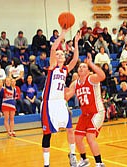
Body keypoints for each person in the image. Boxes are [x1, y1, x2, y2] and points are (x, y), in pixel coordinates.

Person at [40, 28, 81, 167]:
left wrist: (75, 42)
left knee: (70, 128)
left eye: (61, 54)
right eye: (57, 54)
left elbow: (75, 59)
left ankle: (73, 155)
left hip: (60, 102)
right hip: (49, 103)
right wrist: (62, 35)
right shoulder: (53, 67)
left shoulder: (65, 70)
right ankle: (46, 164)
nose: (59, 55)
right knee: (47, 134)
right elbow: (52, 49)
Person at [65, 53, 106, 167]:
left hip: (97, 112)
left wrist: (91, 64)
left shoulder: (92, 78)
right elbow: (67, 96)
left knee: (90, 137)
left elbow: (102, 76)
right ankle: (84, 160)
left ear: (88, 71)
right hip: (85, 114)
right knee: (77, 138)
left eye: (84, 67)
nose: (81, 68)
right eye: (80, 67)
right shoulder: (75, 84)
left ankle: (99, 163)